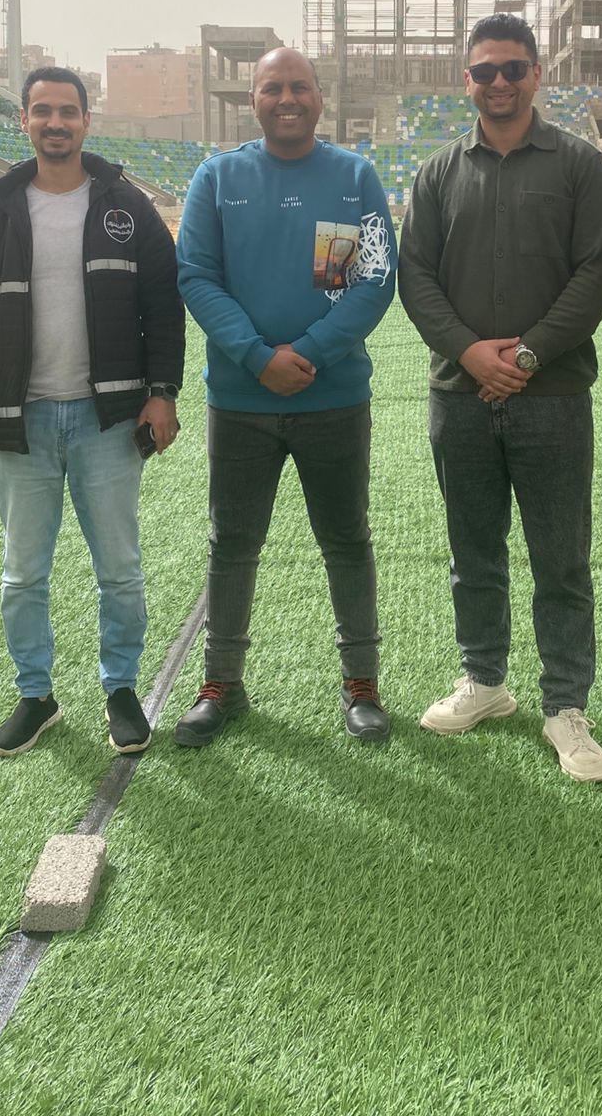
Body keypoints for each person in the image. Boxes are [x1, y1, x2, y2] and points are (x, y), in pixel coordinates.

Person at [398, 14, 602, 783]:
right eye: (486, 70)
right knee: (473, 552)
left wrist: (526, 355)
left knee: (561, 559)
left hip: (551, 394)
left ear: (537, 75)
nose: (500, 82)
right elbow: (416, 276)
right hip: (460, 396)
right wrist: (469, 352)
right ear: (466, 80)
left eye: (513, 68)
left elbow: (599, 272)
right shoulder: (438, 173)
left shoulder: (580, 165)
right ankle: (485, 680)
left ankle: (565, 705)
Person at [0, 69, 184, 759]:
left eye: (68, 111)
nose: (56, 122)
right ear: (23, 120)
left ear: (86, 121)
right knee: (23, 573)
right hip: (21, 421)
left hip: (107, 420)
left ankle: (121, 690)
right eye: (43, 111)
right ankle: (35, 695)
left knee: (120, 569)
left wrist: (162, 391)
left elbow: (163, 305)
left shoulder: (126, 207)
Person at [174, 47, 397, 745]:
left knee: (346, 539)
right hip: (241, 403)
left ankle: (361, 683)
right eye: (272, 88)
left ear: (319, 97)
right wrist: (256, 356)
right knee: (233, 543)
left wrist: (310, 353)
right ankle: (222, 684)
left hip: (333, 400)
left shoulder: (354, 177)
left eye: (299, 86)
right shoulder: (218, 178)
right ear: (253, 100)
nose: (287, 98)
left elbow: (374, 279)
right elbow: (197, 275)